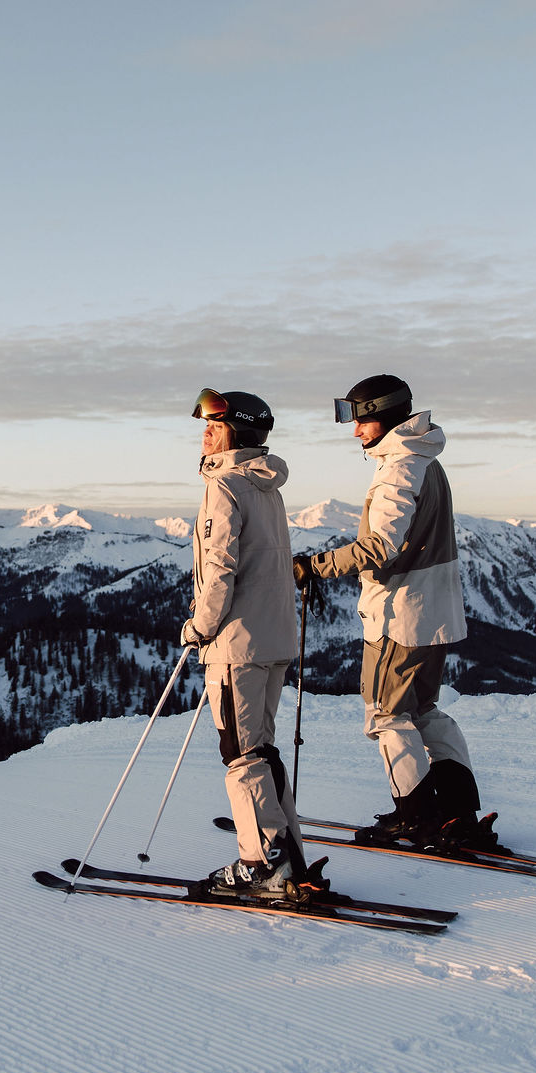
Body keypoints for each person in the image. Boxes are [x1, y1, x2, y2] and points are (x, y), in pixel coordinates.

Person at [292, 375, 495, 849]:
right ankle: (456, 812)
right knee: (423, 710)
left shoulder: (400, 467)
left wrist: (315, 567)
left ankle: (415, 816)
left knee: (386, 716)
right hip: (433, 610)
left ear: (383, 414)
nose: (355, 430)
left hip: (400, 612)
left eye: (359, 418)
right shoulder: (423, 459)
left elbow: (380, 546)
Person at [182, 388, 312, 898]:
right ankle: (288, 857)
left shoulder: (225, 486)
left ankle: (262, 866)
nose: (205, 429)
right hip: (274, 637)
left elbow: (219, 571)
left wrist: (200, 626)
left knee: (240, 755)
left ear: (237, 429)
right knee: (261, 750)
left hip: (238, 643)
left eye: (215, 421)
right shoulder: (266, 486)